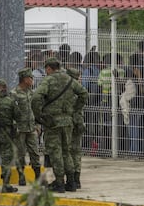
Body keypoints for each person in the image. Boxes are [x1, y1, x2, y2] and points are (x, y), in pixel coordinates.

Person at [31, 57, 88, 193]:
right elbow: (83, 94)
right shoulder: (69, 79)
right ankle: (71, 183)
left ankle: (59, 183)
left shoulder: (48, 80)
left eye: (46, 69)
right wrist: (74, 109)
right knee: (66, 152)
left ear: (49, 68)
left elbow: (36, 97)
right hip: (68, 121)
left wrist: (39, 115)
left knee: (56, 152)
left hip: (53, 122)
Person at [11, 68, 41, 186]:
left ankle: (38, 177)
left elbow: (36, 110)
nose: (32, 80)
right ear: (24, 79)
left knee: (35, 152)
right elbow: (11, 112)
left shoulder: (31, 93)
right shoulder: (14, 93)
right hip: (20, 129)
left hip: (31, 128)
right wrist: (14, 127)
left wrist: (37, 125)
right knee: (20, 153)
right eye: (30, 78)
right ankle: (21, 177)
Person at [66, 68, 86, 189]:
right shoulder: (79, 90)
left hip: (71, 123)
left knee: (68, 151)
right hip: (79, 122)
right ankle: (77, 178)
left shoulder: (69, 91)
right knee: (77, 151)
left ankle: (72, 178)